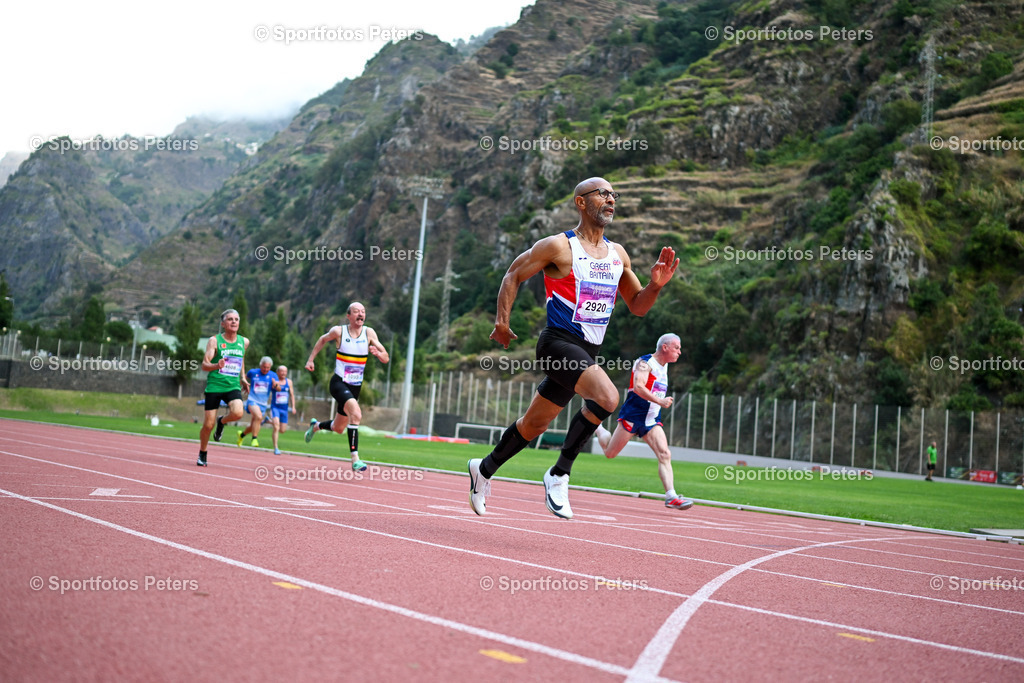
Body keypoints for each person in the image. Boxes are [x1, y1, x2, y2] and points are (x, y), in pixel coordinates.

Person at [468, 177, 679, 519]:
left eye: (614, 195)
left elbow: (638, 306)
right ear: (581, 202)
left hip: (586, 353)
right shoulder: (559, 246)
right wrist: (502, 322)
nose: (611, 199)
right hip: (557, 344)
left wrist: (655, 286)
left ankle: (484, 469)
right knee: (608, 398)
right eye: (602, 194)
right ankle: (559, 473)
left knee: (533, 425)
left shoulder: (618, 255)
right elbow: (513, 275)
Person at [595, 334, 694, 510]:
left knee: (665, 454)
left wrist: (658, 404)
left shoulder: (665, 366)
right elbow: (639, 387)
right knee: (610, 453)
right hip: (633, 416)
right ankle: (598, 427)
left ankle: (671, 496)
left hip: (651, 420)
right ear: (665, 347)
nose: (680, 352)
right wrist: (660, 401)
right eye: (677, 348)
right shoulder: (644, 363)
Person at [304, 302, 390, 471]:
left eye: (363, 311)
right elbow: (322, 339)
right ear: (348, 316)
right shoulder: (339, 331)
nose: (361, 314)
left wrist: (379, 354)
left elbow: (386, 357)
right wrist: (310, 360)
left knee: (338, 428)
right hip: (339, 382)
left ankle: (316, 426)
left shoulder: (369, 333)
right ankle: (355, 459)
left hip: (355, 386)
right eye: (356, 311)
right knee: (356, 414)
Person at [196, 309, 250, 466]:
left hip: (232, 386)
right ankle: (203, 452)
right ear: (223, 324)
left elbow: (241, 359)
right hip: (215, 386)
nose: (234, 322)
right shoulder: (214, 341)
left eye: (236, 319)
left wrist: (243, 377)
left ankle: (222, 421)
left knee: (238, 413)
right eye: (230, 319)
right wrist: (216, 365)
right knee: (208, 425)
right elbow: (204, 365)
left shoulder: (244, 342)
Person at [238, 356, 275, 448]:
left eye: (268, 368)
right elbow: (243, 379)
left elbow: (278, 388)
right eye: (264, 367)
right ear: (260, 365)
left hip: (263, 403)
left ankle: (241, 435)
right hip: (252, 400)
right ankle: (254, 438)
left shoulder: (273, 375)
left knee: (254, 424)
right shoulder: (253, 372)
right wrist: (242, 385)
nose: (265, 369)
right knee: (258, 417)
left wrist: (276, 385)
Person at [269, 365, 296, 455]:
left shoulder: (289, 382)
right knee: (276, 427)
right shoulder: (274, 381)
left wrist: (293, 406)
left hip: (284, 409)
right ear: (278, 372)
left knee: (282, 430)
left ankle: (268, 421)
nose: (284, 373)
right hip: (275, 407)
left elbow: (292, 395)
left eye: (285, 371)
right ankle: (276, 448)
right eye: (282, 371)